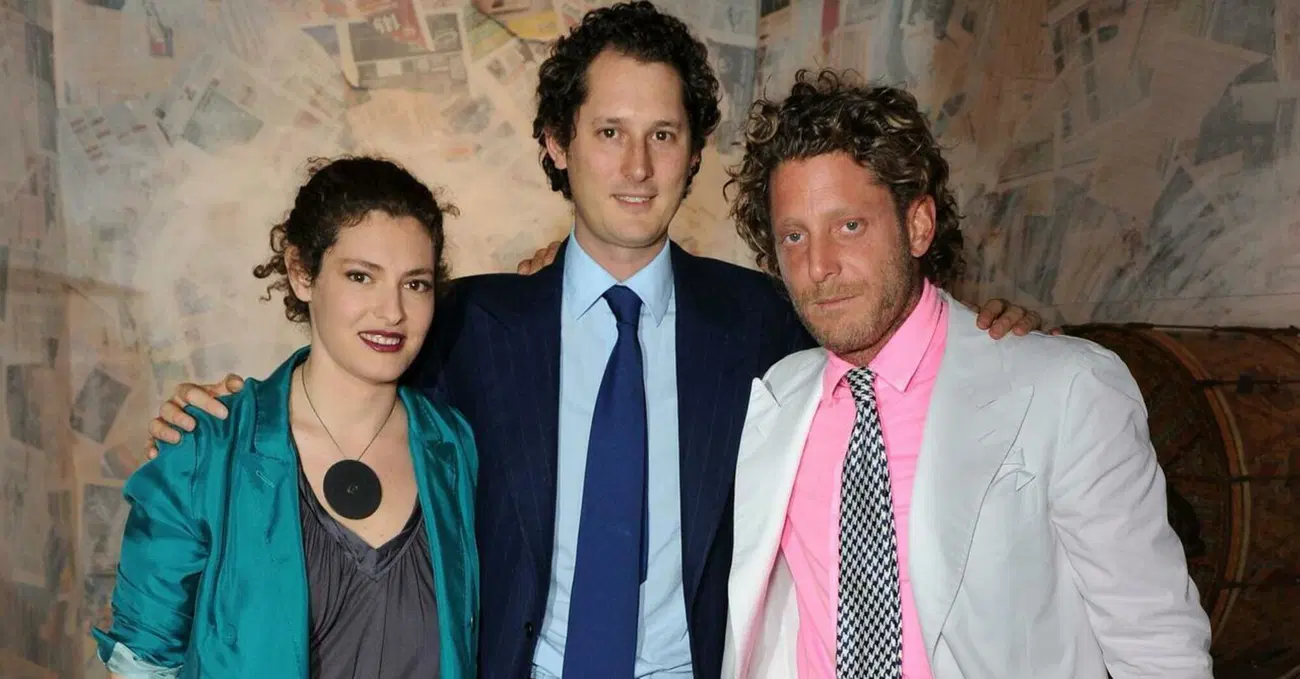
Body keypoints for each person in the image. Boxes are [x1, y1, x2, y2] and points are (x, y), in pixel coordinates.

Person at [143, 4, 1046, 677]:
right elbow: (347, 371)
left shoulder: (766, 318)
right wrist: (224, 415)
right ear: (556, 143)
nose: (638, 166)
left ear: (694, 152)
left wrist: (991, 334)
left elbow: (883, 343)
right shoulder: (464, 323)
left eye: (663, 134)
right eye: (609, 132)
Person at [720, 69, 1214, 678]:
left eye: (850, 226)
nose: (819, 265)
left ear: (918, 225)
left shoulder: (1063, 390)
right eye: (794, 236)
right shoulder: (777, 397)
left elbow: (1156, 645)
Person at [96, 156, 479, 679]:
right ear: (302, 273)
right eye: (361, 276)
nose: (392, 311)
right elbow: (139, 666)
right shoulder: (208, 447)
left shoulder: (453, 447)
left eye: (415, 284)